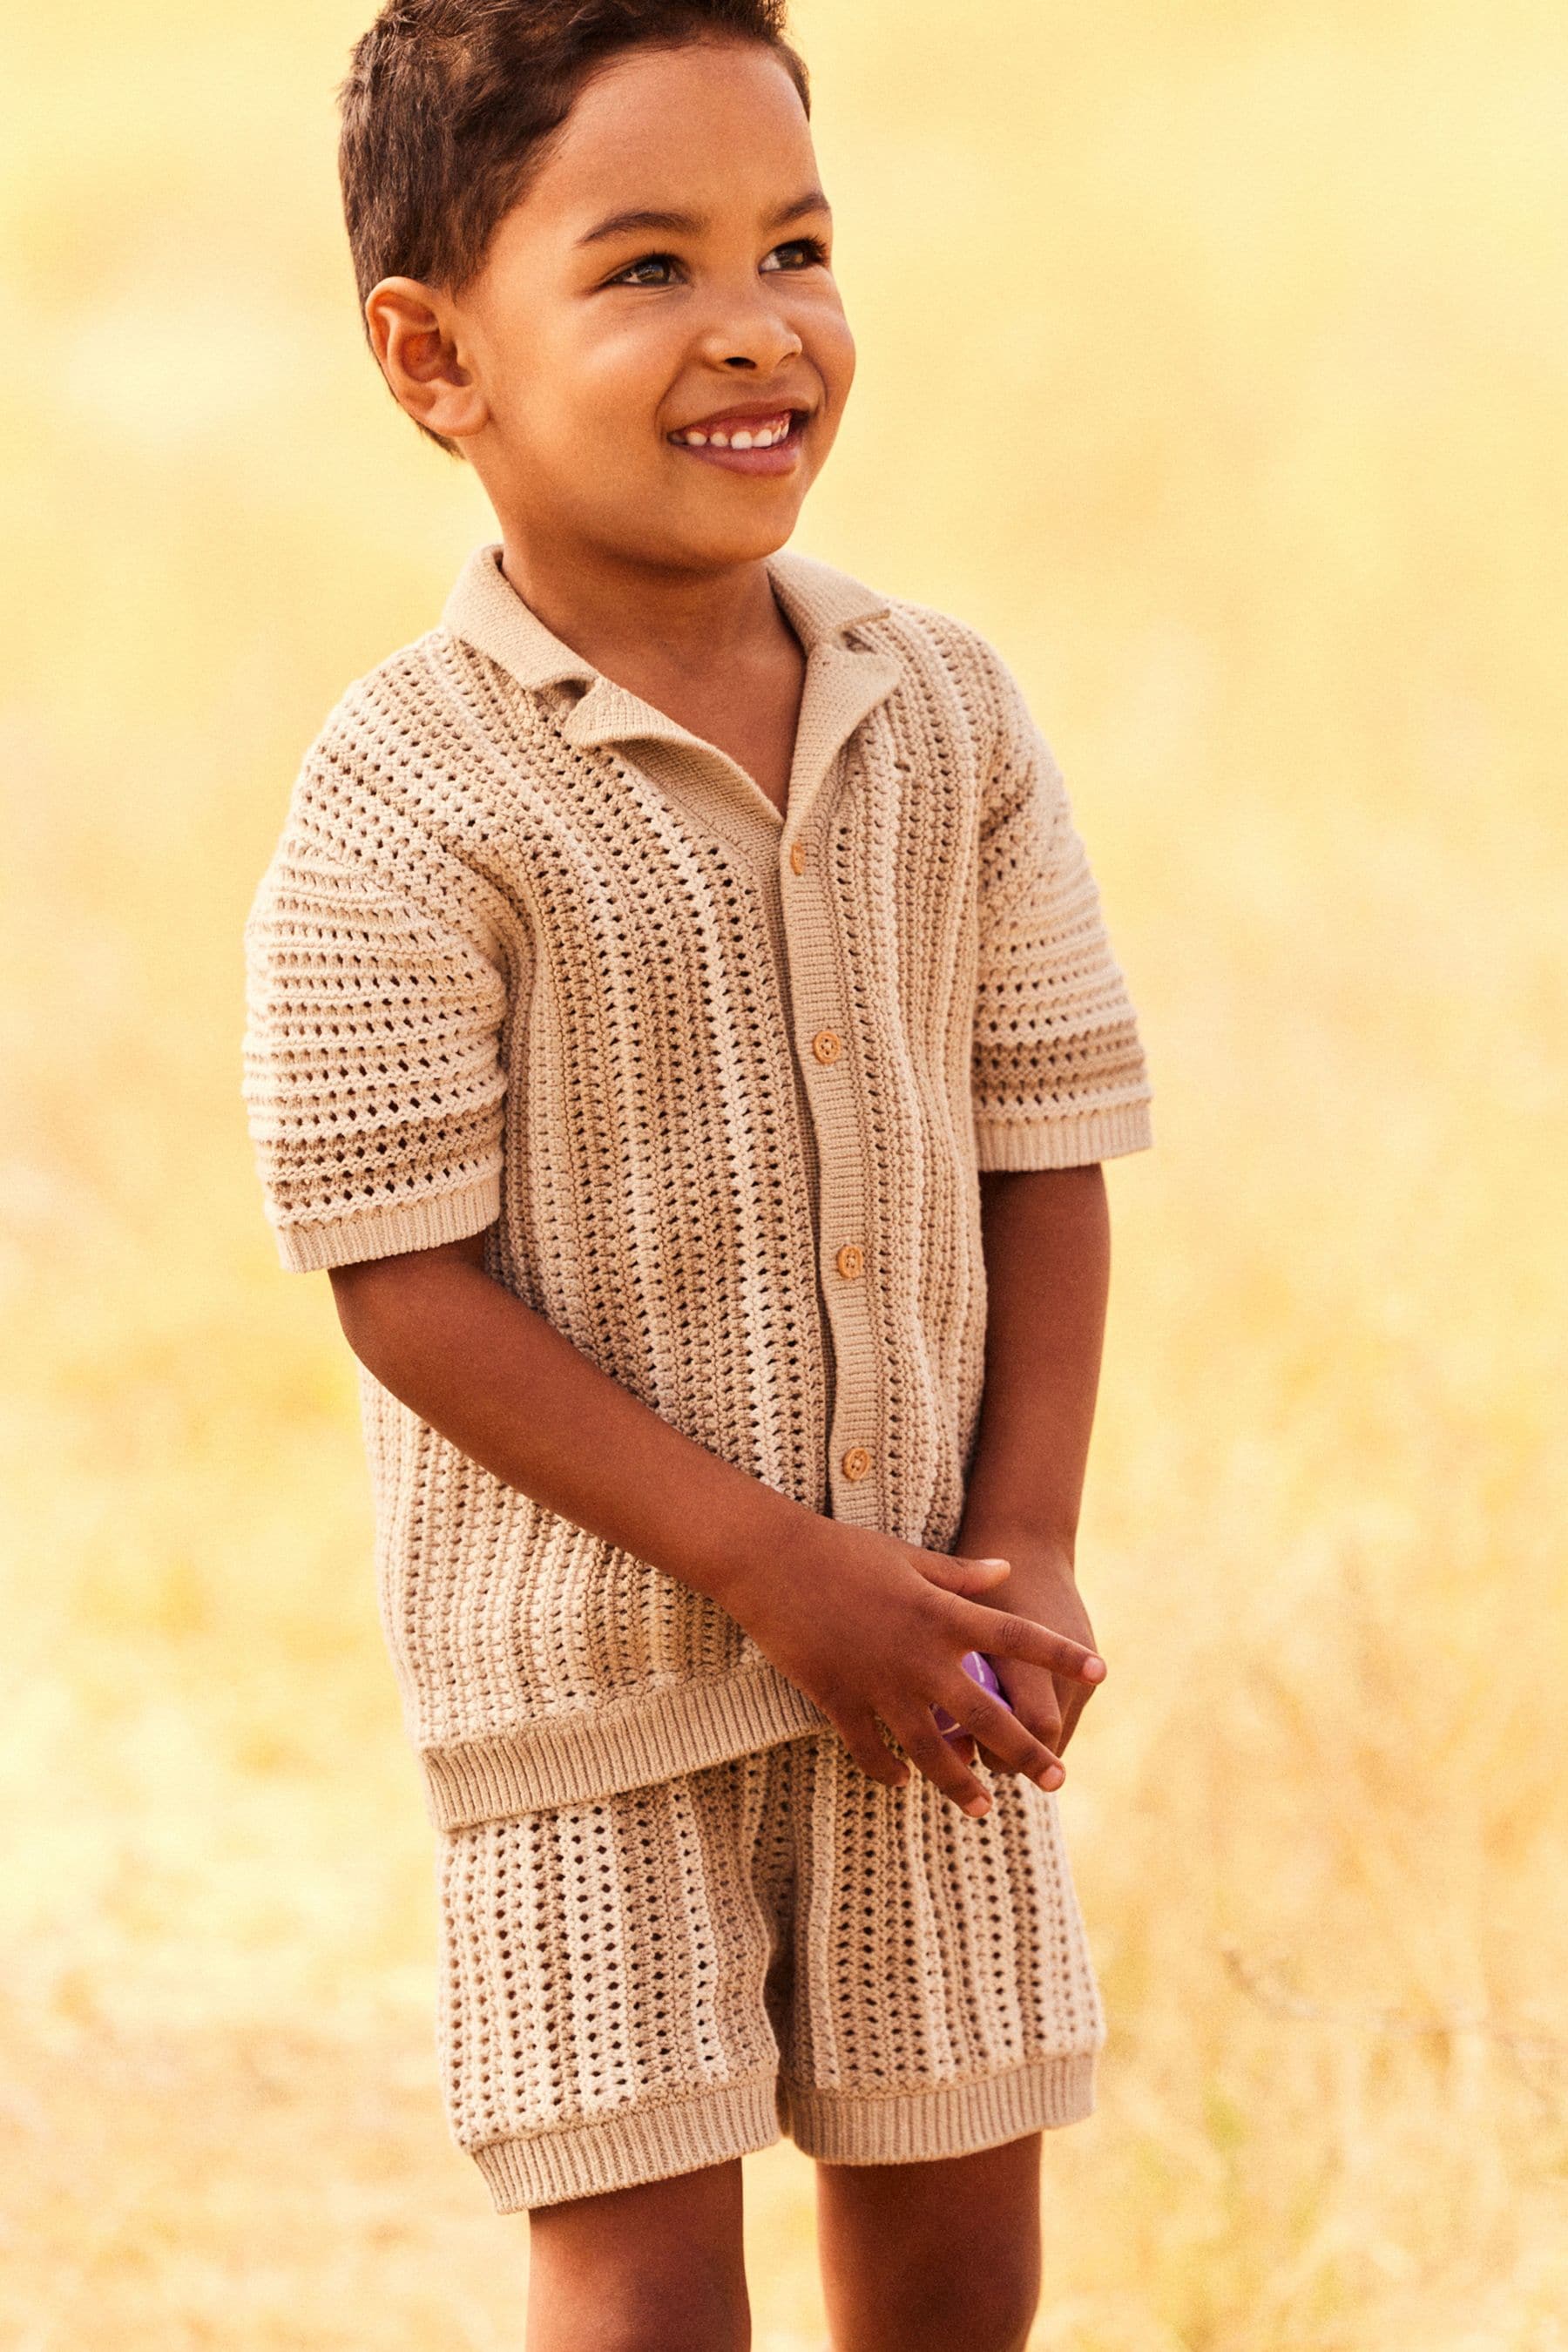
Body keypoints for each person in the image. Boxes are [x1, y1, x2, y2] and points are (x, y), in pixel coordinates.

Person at [240, 3, 1154, 2343]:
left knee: (963, 2253)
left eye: (799, 245)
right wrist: (771, 1567)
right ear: (433, 355)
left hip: (928, 1665)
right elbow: (398, 1274)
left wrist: (1019, 1541)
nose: (756, 324)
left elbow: (1047, 1142)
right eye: (646, 266)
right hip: (596, 1690)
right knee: (643, 2287)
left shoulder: (942, 713)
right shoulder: (408, 795)